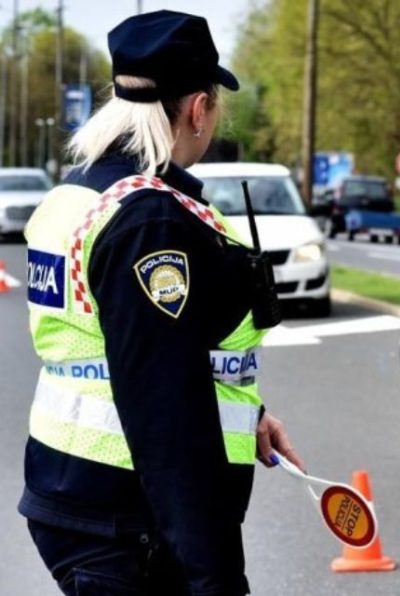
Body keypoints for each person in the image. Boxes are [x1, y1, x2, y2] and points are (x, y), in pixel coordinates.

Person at [20, 11, 303, 595]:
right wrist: (216, 578)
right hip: (132, 523)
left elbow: (112, 352)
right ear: (198, 109)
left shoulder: (80, 196)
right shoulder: (149, 225)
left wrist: (244, 414)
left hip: (80, 500)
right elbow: (165, 409)